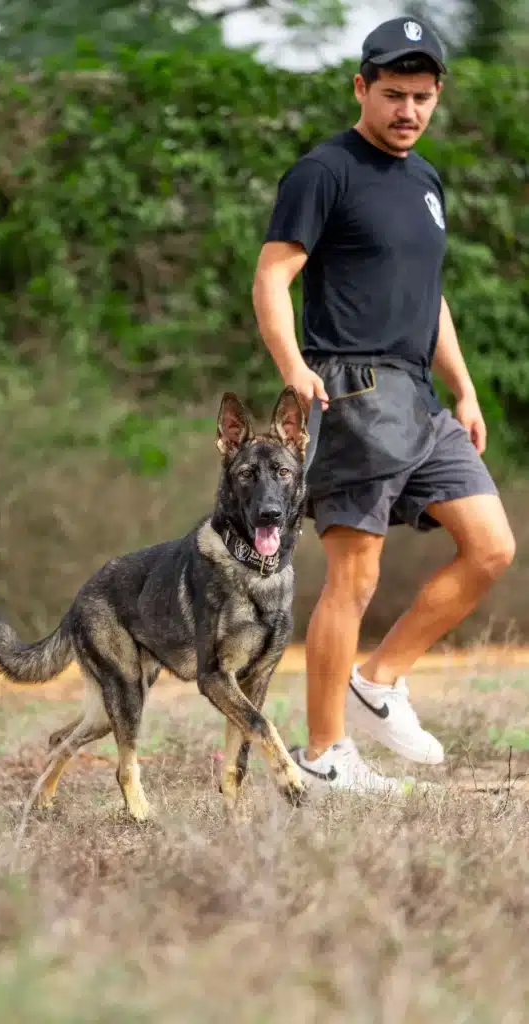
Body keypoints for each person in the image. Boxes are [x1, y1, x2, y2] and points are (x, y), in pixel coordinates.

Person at [251, 15, 516, 793]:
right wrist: (294, 366)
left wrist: (463, 386)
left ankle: (379, 680)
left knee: (491, 546)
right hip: (352, 386)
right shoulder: (323, 170)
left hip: (422, 395)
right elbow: (272, 278)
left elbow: (429, 298)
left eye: (422, 97)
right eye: (393, 94)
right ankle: (327, 753)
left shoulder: (426, 180)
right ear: (361, 88)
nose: (408, 111)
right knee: (354, 578)